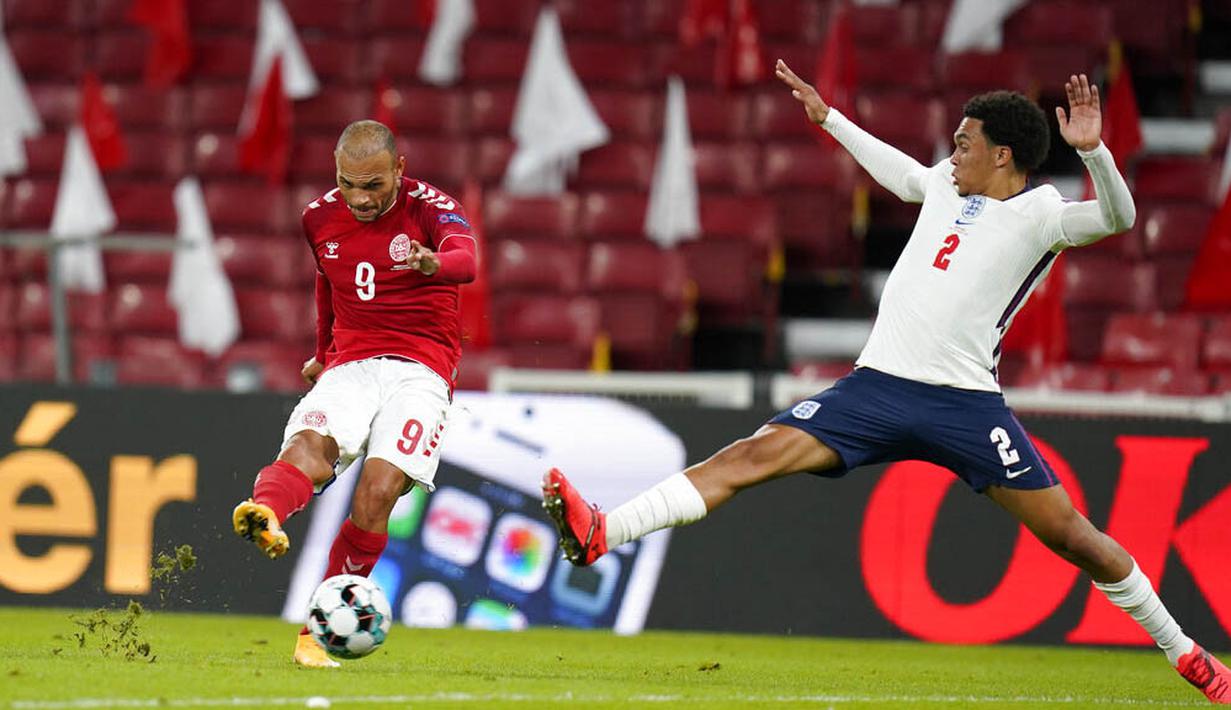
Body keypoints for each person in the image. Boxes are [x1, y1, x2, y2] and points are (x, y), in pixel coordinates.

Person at [542, 61, 1231, 704]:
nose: (950, 154)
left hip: (963, 405)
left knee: (1074, 538)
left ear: (1001, 156)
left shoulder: (1042, 213)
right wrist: (829, 119)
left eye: (963, 144)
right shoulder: (942, 185)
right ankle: (604, 530)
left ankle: (1184, 653)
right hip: (874, 389)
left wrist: (1091, 152)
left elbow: (1118, 218)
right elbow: (903, 173)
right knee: (748, 456)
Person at [231, 120, 476, 668]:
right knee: (310, 444)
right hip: (353, 362)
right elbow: (327, 282)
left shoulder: (431, 208)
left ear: (399, 170)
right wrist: (323, 353)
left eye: (374, 186)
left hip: (422, 369)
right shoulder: (317, 217)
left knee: (378, 491)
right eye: (349, 184)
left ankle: (315, 636)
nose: (361, 199)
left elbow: (468, 258)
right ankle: (265, 512)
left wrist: (435, 262)